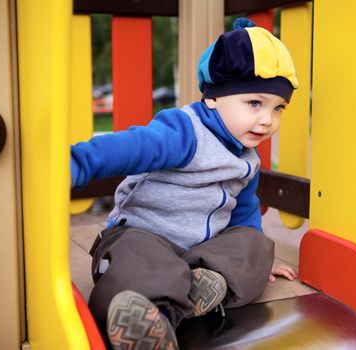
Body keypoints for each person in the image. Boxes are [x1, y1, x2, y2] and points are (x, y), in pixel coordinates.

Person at [71, 18, 299, 350]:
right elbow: (128, 148)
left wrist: (260, 259)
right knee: (139, 260)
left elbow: (245, 211)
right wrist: (76, 165)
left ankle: (203, 285)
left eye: (278, 108)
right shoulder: (184, 131)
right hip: (144, 236)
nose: (267, 119)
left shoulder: (248, 158)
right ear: (213, 98)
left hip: (197, 254)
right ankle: (150, 321)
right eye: (255, 103)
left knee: (256, 245)